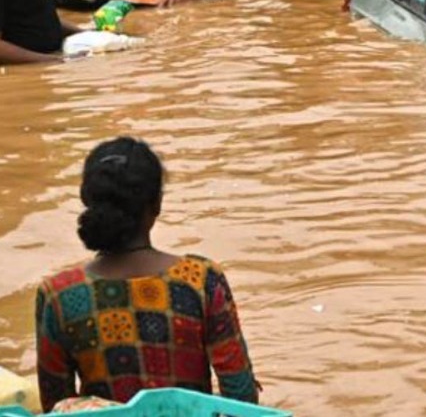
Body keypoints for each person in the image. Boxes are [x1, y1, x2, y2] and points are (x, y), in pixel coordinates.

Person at [35, 137, 259, 411]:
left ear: (88, 201)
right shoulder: (200, 280)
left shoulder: (59, 294)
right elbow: (242, 397)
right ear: (157, 204)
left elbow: (57, 405)